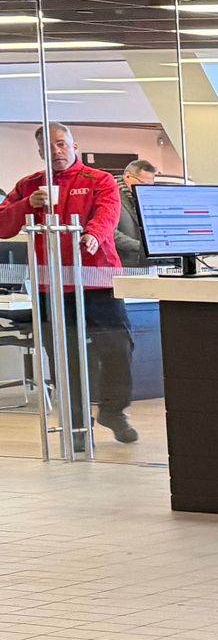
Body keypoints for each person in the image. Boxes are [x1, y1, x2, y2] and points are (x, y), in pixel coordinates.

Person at [0, 124, 136, 442]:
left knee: (118, 348)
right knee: (65, 356)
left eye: (62, 144)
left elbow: (107, 213)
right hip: (54, 288)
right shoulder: (30, 185)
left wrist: (93, 235)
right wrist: (27, 205)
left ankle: (113, 411)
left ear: (75, 146)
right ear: (40, 153)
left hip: (98, 283)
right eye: (50, 147)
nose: (57, 151)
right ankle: (76, 425)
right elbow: (3, 226)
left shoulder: (98, 180)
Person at [112, 157, 159, 270]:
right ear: (128, 177)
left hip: (147, 266)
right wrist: (142, 247)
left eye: (150, 186)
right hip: (123, 266)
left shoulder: (146, 198)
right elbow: (111, 233)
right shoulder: (111, 196)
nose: (146, 190)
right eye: (143, 184)